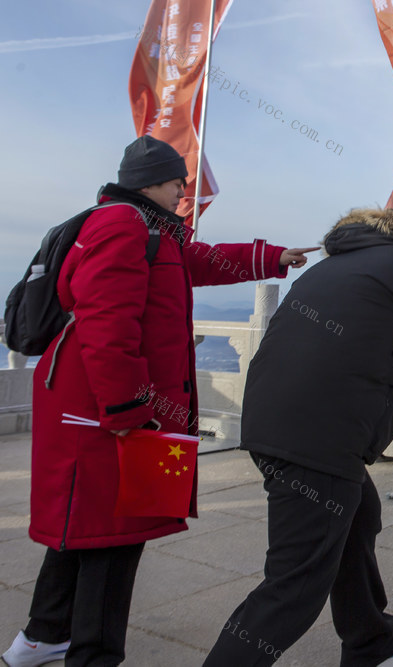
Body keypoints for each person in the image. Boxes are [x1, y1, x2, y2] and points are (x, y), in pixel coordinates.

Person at [2, 136, 317, 667]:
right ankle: (93, 656)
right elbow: (107, 324)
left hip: (102, 406)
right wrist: (126, 410)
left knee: (84, 526)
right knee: (115, 536)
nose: (181, 195)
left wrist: (272, 257)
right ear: (151, 182)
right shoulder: (122, 226)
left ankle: (42, 635)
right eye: (177, 184)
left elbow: (201, 261)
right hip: (110, 411)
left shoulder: (145, 229)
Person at [203, 205, 393, 667]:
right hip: (320, 435)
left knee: (357, 514)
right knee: (294, 585)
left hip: (272, 420)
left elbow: (371, 343)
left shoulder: (333, 266)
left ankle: (372, 640)